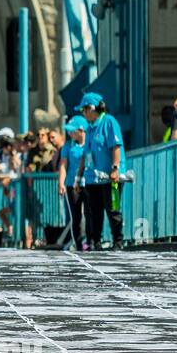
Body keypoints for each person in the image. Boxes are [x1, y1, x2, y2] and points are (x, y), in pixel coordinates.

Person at [75, 92, 124, 250]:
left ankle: (118, 241)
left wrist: (115, 168)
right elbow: (85, 155)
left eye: (84, 110)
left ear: (92, 108)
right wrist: (78, 177)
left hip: (110, 177)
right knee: (94, 211)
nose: (83, 114)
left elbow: (116, 146)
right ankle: (96, 241)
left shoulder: (109, 122)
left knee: (112, 208)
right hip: (92, 177)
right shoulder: (89, 128)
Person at [57, 116, 89, 251]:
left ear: (81, 130)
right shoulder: (68, 145)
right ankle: (79, 243)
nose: (69, 133)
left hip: (89, 183)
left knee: (90, 213)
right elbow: (63, 165)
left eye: (72, 131)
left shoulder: (90, 143)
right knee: (76, 216)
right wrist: (61, 183)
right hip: (72, 184)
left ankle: (91, 241)